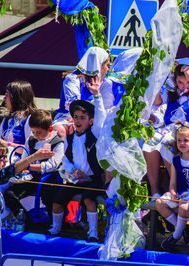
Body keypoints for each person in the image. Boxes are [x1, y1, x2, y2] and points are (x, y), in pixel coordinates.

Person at [144, 58, 189, 198]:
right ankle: (155, 191)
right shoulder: (172, 92)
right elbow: (157, 102)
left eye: (187, 82)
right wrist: (158, 76)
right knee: (149, 144)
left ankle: (179, 186)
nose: (183, 87)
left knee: (166, 143)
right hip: (172, 132)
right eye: (180, 82)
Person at [49, 76, 107, 241]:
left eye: (83, 118)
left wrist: (97, 95)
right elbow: (66, 159)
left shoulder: (94, 133)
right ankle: (55, 229)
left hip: (93, 179)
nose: (78, 120)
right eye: (76, 117)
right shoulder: (71, 137)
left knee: (89, 199)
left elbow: (101, 116)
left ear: (90, 121)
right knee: (57, 200)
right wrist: (72, 170)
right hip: (76, 179)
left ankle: (93, 232)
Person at [4, 109, 64, 217]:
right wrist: (24, 167)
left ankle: (51, 222)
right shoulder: (31, 140)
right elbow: (24, 157)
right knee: (9, 193)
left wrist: (28, 166)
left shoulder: (58, 143)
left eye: (39, 132)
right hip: (30, 177)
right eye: (33, 132)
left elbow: (50, 166)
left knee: (48, 194)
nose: (35, 135)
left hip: (49, 179)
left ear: (50, 129)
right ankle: (24, 218)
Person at [156, 124, 189, 251]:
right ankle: (181, 228)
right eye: (179, 140)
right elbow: (173, 182)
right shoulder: (176, 160)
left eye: (186, 140)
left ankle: (175, 236)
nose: (182, 143)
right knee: (159, 202)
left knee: (183, 206)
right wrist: (172, 192)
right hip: (181, 195)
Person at [0, 80, 36, 148]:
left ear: (16, 98)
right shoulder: (6, 119)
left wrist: (6, 144)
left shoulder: (31, 119)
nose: (4, 98)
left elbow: (31, 149)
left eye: (7, 95)